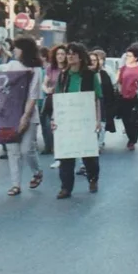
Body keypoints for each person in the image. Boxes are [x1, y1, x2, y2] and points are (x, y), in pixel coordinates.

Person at [52, 43, 101, 199]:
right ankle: (66, 187)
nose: (70, 56)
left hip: (85, 119)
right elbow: (58, 99)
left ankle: (93, 178)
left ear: (80, 57)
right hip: (67, 120)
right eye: (68, 54)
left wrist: (98, 120)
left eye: (73, 54)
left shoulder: (90, 75)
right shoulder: (63, 76)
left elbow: (97, 99)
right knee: (66, 155)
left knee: (89, 156)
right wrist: (55, 117)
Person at [0, 37, 44, 196]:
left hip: (29, 114)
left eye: (17, 48)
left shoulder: (36, 69)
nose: (14, 51)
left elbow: (34, 95)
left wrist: (25, 117)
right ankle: (15, 184)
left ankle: (37, 171)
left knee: (26, 149)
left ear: (24, 50)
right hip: (11, 112)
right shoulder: (11, 65)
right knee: (13, 150)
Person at [116, 43, 138, 151]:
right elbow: (119, 81)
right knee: (125, 119)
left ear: (136, 57)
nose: (127, 58)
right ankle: (130, 136)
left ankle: (132, 140)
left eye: (130, 56)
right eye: (126, 56)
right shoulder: (123, 68)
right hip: (124, 97)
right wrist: (120, 90)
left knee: (134, 119)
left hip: (135, 97)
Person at [41, 44, 68, 160]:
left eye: (63, 54)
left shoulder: (68, 68)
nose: (60, 56)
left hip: (65, 101)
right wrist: (47, 90)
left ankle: (60, 147)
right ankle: (49, 145)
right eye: (58, 54)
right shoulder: (50, 68)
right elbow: (44, 84)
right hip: (52, 99)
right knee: (47, 123)